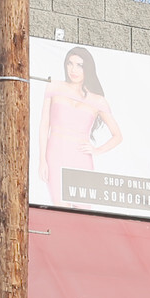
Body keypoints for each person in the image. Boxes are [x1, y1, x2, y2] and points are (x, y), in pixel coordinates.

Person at [39, 46, 122, 201]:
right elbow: (44, 125)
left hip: (82, 158)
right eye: (70, 63)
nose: (73, 70)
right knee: (59, 206)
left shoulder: (97, 100)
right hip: (56, 153)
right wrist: (42, 159)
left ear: (87, 69)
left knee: (82, 210)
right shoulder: (54, 86)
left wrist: (97, 150)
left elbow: (117, 136)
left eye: (79, 65)